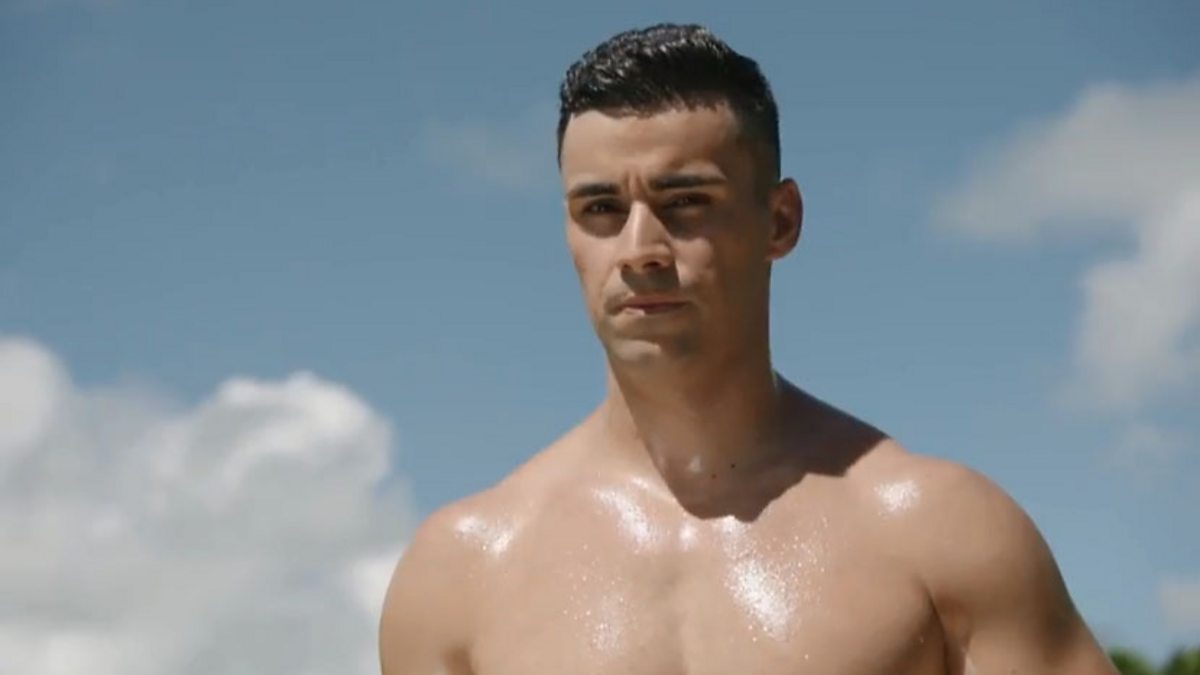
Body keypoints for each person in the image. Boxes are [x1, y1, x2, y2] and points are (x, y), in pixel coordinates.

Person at [379, 23, 1117, 675]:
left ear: (780, 220)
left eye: (685, 202)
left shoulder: (937, 532)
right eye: (600, 208)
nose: (638, 249)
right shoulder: (461, 573)